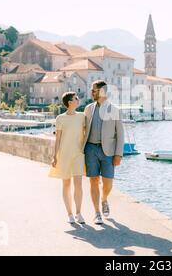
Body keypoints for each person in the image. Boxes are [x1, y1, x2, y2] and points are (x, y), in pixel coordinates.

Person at [83, 80, 124, 225]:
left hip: (108, 151)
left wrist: (118, 154)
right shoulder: (88, 108)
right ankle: (97, 213)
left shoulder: (115, 110)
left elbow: (120, 134)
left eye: (94, 90)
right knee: (93, 180)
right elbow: (82, 129)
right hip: (90, 149)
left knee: (108, 183)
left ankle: (104, 199)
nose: (91, 92)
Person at [50, 92, 86, 224]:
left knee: (78, 184)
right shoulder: (60, 118)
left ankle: (78, 213)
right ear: (70, 102)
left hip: (78, 155)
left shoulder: (82, 117)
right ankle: (69, 214)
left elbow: (87, 134)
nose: (78, 100)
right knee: (66, 184)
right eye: (76, 99)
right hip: (64, 154)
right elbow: (58, 139)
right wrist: (54, 156)